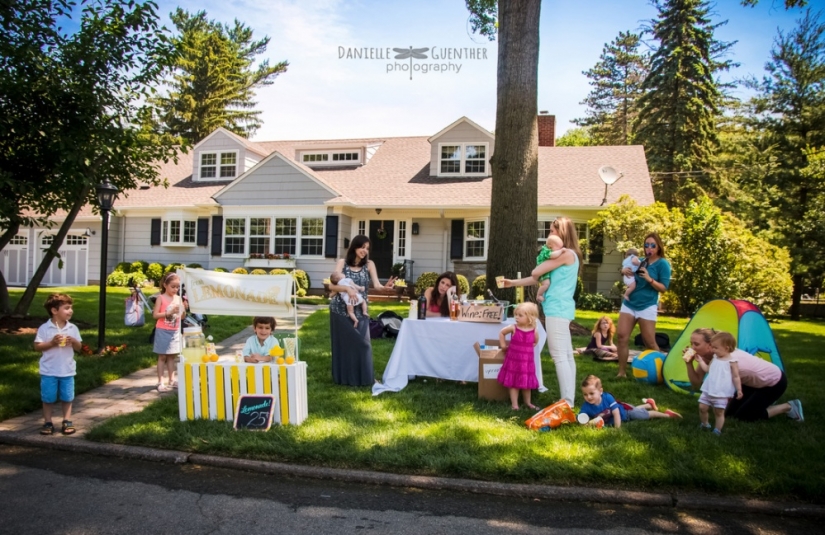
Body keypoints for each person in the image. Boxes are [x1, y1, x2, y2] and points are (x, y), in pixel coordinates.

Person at [503, 216, 580, 407]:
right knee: (567, 355)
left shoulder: (565, 254)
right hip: (561, 308)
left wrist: (544, 257)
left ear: (562, 232)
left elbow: (537, 272)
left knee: (559, 356)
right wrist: (512, 283)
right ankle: (569, 399)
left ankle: (567, 402)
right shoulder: (565, 256)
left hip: (557, 308)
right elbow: (538, 278)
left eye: (553, 231)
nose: (550, 234)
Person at [683, 328, 802, 422]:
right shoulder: (709, 356)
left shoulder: (726, 360)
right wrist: (689, 363)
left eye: (696, 344)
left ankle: (789, 406)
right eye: (691, 343)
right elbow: (696, 383)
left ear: (710, 345)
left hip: (773, 382)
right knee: (729, 415)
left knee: (744, 417)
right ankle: (761, 402)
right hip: (749, 384)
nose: (692, 347)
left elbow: (721, 388)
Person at [329, 235, 396, 386]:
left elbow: (377, 285)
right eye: (362, 247)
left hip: (361, 310)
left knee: (363, 344)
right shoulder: (342, 263)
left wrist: (384, 288)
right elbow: (332, 286)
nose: (364, 251)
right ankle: (344, 379)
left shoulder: (369, 264)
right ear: (354, 247)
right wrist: (347, 288)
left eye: (367, 248)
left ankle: (366, 378)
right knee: (344, 346)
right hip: (339, 310)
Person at [616, 233, 672, 378]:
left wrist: (649, 279)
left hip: (647, 305)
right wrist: (622, 270)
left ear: (659, 246)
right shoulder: (640, 261)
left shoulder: (663, 264)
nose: (649, 248)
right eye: (646, 245)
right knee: (622, 336)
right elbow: (627, 266)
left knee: (650, 342)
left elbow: (664, 288)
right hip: (629, 303)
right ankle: (622, 372)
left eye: (653, 245)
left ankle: (662, 373)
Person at [33, 293, 82, 436]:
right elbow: (37, 346)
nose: (70, 311)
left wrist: (73, 341)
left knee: (67, 397)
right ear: (54, 311)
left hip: (67, 370)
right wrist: (52, 343)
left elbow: (79, 347)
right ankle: (48, 422)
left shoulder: (72, 328)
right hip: (49, 370)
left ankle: (67, 420)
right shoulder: (45, 328)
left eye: (71, 308)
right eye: (67, 308)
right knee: (48, 397)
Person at [579, 374, 681, 428]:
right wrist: (584, 422)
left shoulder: (608, 398)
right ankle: (648, 404)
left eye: (592, 393)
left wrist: (617, 429)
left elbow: (616, 413)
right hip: (625, 409)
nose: (588, 397)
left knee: (644, 415)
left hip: (626, 412)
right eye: (585, 394)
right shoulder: (586, 406)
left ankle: (667, 415)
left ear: (600, 391)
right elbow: (582, 419)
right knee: (637, 409)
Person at [695, 331, 743, 435]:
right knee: (702, 408)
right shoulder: (715, 358)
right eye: (712, 347)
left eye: (715, 348)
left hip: (721, 392)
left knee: (719, 412)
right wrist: (701, 361)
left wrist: (739, 389)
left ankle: (717, 430)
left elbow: (736, 377)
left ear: (726, 348)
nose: (712, 350)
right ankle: (705, 424)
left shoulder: (732, 361)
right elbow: (708, 369)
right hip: (709, 389)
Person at [497, 302, 540, 410]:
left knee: (526, 384)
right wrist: (503, 346)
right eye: (516, 315)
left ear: (530, 317)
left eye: (520, 315)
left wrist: (526, 348)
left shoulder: (534, 330)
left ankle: (528, 403)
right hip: (514, 361)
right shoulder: (513, 328)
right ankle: (514, 405)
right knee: (513, 383)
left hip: (526, 362)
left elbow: (535, 342)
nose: (516, 317)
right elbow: (502, 333)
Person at [152, 272, 185, 392]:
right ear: (165, 285)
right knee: (162, 356)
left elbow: (181, 318)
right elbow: (155, 315)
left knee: (172, 356)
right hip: (162, 330)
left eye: (178, 287)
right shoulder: (161, 298)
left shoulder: (178, 298)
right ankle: (160, 381)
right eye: (173, 286)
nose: (176, 289)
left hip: (174, 331)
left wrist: (183, 310)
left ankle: (172, 380)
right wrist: (168, 313)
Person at [536, 235, 566, 303]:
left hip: (544, 271)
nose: (559, 250)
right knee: (546, 284)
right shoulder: (546, 251)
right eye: (558, 248)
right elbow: (553, 255)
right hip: (542, 272)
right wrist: (561, 251)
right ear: (550, 246)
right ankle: (539, 295)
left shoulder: (547, 250)